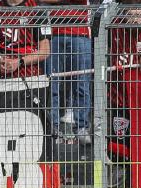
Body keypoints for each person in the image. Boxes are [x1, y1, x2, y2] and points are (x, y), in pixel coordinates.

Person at [41, 0, 92, 145]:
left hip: (79, 31)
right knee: (51, 84)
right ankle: (53, 127)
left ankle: (81, 127)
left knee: (81, 84)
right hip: (53, 34)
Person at [0, 0, 51, 81]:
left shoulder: (36, 8)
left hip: (29, 76)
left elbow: (45, 51)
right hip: (1, 76)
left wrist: (19, 62)